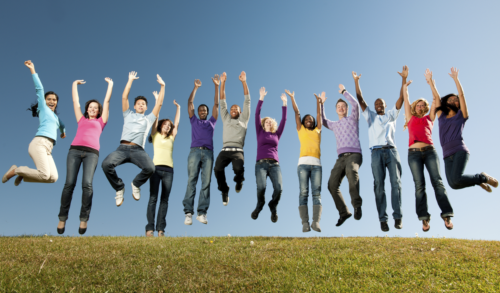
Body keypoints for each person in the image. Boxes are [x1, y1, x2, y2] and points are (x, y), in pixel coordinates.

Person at [56, 78, 113, 235]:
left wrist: (110, 85)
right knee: (69, 184)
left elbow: (107, 101)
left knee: (87, 185)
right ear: (87, 109)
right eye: (90, 107)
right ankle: (62, 218)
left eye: (95, 107)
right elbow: (76, 101)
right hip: (74, 151)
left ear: (98, 111)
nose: (92, 109)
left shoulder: (102, 121)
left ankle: (83, 219)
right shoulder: (81, 119)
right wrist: (74, 84)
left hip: (91, 154)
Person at [427, 67, 497, 194]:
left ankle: (483, 177)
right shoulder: (441, 115)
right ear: (446, 103)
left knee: (457, 179)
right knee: (453, 184)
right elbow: (436, 97)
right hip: (446, 155)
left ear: (459, 103)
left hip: (460, 150)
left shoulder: (461, 115)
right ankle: (479, 180)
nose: (454, 101)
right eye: (450, 99)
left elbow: (462, 95)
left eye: (456, 100)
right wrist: (431, 82)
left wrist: (456, 79)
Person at [356, 66, 408, 232]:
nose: (378, 105)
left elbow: (401, 98)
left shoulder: (392, 115)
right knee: (379, 185)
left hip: (391, 151)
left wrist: (404, 79)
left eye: (381, 103)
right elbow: (360, 98)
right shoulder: (370, 116)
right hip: (376, 153)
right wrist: (356, 82)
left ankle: (398, 217)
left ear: (385, 105)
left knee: (396, 183)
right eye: (376, 103)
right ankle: (383, 220)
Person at [101, 72, 165, 206]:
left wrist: (162, 87)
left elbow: (159, 105)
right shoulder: (128, 114)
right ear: (134, 106)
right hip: (122, 149)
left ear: (146, 107)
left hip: (138, 150)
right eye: (138, 103)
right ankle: (119, 188)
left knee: (150, 168)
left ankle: (136, 184)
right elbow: (124, 97)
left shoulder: (149, 119)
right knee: (106, 164)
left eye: (143, 104)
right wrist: (130, 80)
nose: (141, 105)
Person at [402, 77, 454, 231]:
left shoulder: (429, 118)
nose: (420, 107)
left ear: (425, 108)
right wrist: (405, 87)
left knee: (437, 182)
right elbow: (406, 100)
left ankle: (446, 214)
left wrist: (432, 83)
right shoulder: (410, 118)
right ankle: (424, 218)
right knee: (419, 186)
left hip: (430, 152)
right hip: (413, 154)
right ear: (414, 107)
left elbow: (436, 100)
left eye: (422, 105)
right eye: (417, 105)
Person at [3, 60, 66, 186]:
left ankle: (23, 173)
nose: (52, 101)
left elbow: (62, 125)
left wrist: (63, 132)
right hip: (39, 144)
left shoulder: (56, 118)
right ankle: (17, 170)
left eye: (54, 100)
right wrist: (32, 69)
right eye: (49, 99)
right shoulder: (43, 109)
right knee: (44, 174)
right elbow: (39, 88)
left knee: (53, 177)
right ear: (44, 101)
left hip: (49, 148)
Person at [320, 83, 363, 228]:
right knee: (331, 185)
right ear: (336, 110)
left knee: (352, 171)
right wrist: (321, 104)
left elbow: (356, 105)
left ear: (346, 109)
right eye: (338, 107)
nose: (341, 108)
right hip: (341, 158)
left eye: (343, 106)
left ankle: (357, 206)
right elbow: (323, 121)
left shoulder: (353, 118)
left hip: (354, 155)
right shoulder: (334, 125)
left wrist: (344, 92)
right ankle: (344, 212)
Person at [183, 75, 219, 225]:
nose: (203, 111)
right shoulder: (194, 120)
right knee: (192, 180)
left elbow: (216, 105)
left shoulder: (212, 121)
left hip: (209, 153)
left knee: (206, 182)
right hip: (195, 152)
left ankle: (202, 213)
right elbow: (190, 102)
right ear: (198, 112)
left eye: (205, 110)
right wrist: (196, 88)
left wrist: (217, 86)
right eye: (201, 110)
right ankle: (188, 213)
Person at [286, 89, 323, 232]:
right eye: (307, 119)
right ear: (303, 122)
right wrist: (292, 98)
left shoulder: (317, 130)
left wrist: (318, 102)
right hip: (302, 165)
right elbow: (297, 113)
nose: (309, 120)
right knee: (303, 192)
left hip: (317, 166)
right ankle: (305, 223)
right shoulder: (300, 129)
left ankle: (316, 222)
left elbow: (319, 115)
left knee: (317, 193)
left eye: (311, 119)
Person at [146, 93, 181, 236]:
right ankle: (150, 228)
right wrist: (157, 101)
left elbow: (177, 123)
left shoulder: (172, 137)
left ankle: (161, 229)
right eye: (165, 124)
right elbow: (156, 117)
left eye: (169, 125)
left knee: (164, 200)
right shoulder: (155, 135)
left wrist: (178, 108)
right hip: (155, 169)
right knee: (153, 198)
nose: (167, 126)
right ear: (161, 126)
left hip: (169, 171)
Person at [214, 71, 251, 206]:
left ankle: (239, 180)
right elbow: (222, 102)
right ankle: (224, 190)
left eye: (236, 108)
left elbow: (247, 101)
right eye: (232, 108)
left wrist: (244, 82)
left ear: (240, 112)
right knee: (217, 169)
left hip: (237, 151)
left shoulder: (244, 119)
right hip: (224, 150)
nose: (233, 109)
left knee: (238, 168)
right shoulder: (226, 119)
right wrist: (223, 83)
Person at [251, 87, 287, 223]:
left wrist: (284, 104)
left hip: (274, 165)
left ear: (272, 124)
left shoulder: (276, 134)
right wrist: (261, 98)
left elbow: (284, 120)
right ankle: (260, 205)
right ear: (263, 123)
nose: (268, 122)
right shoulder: (259, 131)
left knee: (279, 188)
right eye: (266, 121)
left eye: (270, 121)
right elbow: (256, 114)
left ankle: (273, 205)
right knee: (261, 187)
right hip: (260, 164)